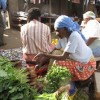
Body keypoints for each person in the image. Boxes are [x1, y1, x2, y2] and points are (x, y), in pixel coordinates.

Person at [34, 15, 96, 81]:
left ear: (65, 29)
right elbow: (55, 50)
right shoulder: (63, 36)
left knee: (58, 63)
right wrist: (41, 62)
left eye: (58, 30)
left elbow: (63, 57)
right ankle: (50, 77)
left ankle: (60, 81)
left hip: (86, 63)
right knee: (56, 52)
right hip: (75, 58)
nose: (56, 34)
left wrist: (43, 54)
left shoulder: (74, 36)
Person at [20, 7, 53, 76]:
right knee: (53, 47)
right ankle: (44, 68)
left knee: (23, 49)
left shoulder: (23, 28)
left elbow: (23, 44)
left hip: (28, 58)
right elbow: (49, 43)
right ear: (39, 17)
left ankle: (30, 67)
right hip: (42, 58)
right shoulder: (46, 27)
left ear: (29, 17)